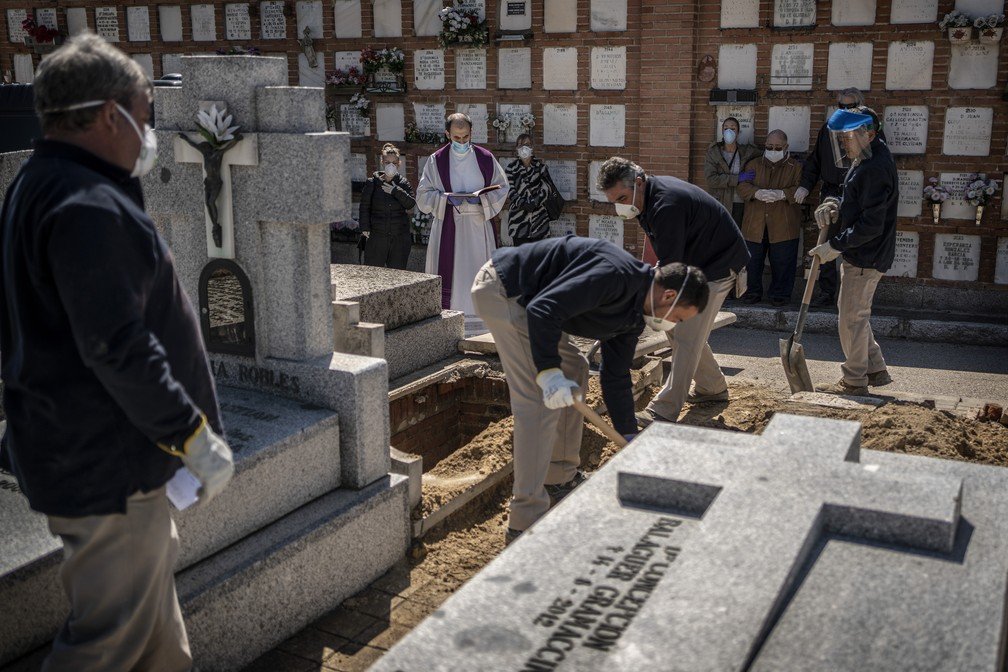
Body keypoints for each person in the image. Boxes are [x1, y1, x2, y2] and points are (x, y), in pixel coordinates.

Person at [0, 34, 234, 671]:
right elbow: (116, 345)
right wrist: (189, 433)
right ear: (110, 114)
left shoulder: (42, 183)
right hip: (107, 463)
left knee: (159, 645)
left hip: (86, 451)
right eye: (146, 115)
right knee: (105, 646)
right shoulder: (87, 205)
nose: (149, 133)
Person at [471, 236, 709, 543]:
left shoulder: (635, 316)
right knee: (538, 403)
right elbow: (544, 309)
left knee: (576, 368)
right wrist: (547, 372)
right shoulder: (614, 275)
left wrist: (629, 436)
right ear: (669, 295)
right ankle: (525, 521)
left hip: (534, 306)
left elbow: (615, 377)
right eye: (677, 317)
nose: (673, 324)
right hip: (506, 292)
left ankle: (559, 476)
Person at [598, 157, 749, 428]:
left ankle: (664, 410)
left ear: (639, 183)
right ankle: (712, 387)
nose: (619, 206)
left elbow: (672, 269)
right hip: (696, 262)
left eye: (622, 197)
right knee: (674, 329)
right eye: (614, 201)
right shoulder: (647, 201)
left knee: (687, 334)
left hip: (718, 266)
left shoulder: (666, 204)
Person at [808, 106, 897, 396]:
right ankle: (875, 368)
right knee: (856, 314)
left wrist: (834, 245)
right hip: (865, 254)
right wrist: (834, 202)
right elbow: (854, 198)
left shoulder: (874, 167)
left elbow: (871, 224)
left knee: (851, 318)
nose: (843, 143)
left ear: (868, 134)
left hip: (865, 255)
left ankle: (854, 381)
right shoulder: (866, 159)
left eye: (847, 137)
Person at [417, 112, 509, 336]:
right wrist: (446, 198)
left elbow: (502, 187)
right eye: (456, 138)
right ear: (447, 134)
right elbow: (422, 195)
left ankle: (482, 327)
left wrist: (481, 199)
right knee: (453, 278)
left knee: (479, 273)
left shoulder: (485, 158)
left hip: (478, 225)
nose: (461, 142)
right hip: (449, 224)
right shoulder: (436, 161)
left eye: (465, 137)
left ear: (471, 133)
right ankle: (449, 326)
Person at [798, 87, 865, 308]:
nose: (845, 110)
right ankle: (827, 292)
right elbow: (815, 160)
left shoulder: (868, 130)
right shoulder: (828, 128)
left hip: (856, 193)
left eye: (850, 106)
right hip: (830, 191)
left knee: (854, 241)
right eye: (841, 106)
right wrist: (805, 186)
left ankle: (853, 297)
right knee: (826, 243)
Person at [736, 129, 803, 307]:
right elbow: (742, 185)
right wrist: (756, 192)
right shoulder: (753, 165)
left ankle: (780, 295)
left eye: (778, 147)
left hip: (784, 223)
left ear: (786, 147)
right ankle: (751, 292)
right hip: (755, 223)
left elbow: (802, 189)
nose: (773, 150)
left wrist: (783, 194)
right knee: (752, 261)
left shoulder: (795, 167)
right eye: (769, 146)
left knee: (783, 261)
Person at [359, 142, 416, 270]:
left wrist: (396, 191)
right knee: (373, 274)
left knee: (396, 275)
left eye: (394, 163)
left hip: (399, 238)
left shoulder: (403, 183)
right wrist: (365, 227)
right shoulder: (372, 183)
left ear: (399, 164)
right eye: (387, 162)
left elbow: (411, 203)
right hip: (377, 237)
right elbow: (365, 206)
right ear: (382, 162)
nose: (391, 166)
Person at [703, 116, 760, 227]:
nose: (729, 131)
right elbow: (711, 180)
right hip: (719, 202)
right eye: (726, 128)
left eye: (733, 128)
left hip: (740, 203)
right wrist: (737, 178)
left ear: (738, 132)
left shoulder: (746, 152)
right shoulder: (713, 152)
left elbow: (766, 156)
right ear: (722, 131)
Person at [505, 133, 553, 245]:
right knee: (522, 259)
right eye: (520, 145)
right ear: (516, 148)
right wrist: (523, 203)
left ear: (532, 147)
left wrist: (534, 203)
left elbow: (547, 189)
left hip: (539, 221)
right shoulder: (511, 168)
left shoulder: (541, 167)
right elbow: (509, 189)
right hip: (518, 222)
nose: (524, 148)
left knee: (539, 258)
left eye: (527, 144)